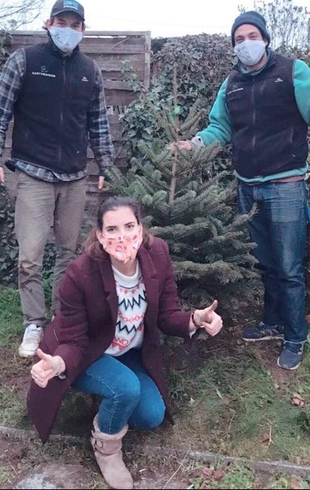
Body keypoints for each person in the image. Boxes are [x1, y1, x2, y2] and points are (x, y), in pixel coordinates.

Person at [173, 11, 310, 371]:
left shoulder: (294, 72)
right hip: (248, 187)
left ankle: (295, 336)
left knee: (289, 266)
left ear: (264, 38)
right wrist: (196, 143)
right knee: (264, 261)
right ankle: (273, 323)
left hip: (286, 186)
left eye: (251, 35)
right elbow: (220, 127)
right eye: (238, 38)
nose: (245, 43)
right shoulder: (232, 84)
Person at [27, 195, 223, 489]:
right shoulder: (80, 272)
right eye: (112, 230)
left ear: (141, 229)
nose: (122, 237)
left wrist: (195, 319)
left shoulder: (157, 254)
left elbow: (167, 314)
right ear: (100, 235)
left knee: (150, 416)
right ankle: (106, 447)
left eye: (129, 226)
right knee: (124, 389)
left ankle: (111, 396)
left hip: (128, 352)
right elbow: (75, 340)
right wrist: (57, 363)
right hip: (87, 353)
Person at [0, 0, 114, 359]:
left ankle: (62, 318)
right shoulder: (24, 61)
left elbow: (99, 123)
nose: (68, 30)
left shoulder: (91, 71)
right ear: (48, 23)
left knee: (70, 254)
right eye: (62, 22)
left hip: (75, 177)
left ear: (83, 30)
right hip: (32, 174)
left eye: (75, 25)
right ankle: (33, 322)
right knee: (30, 255)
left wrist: (106, 165)